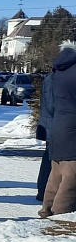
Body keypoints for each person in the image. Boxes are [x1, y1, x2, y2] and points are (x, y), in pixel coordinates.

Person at [39, 41, 76, 217]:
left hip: (59, 125)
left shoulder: (61, 69)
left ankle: (46, 209)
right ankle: (61, 217)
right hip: (73, 127)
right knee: (71, 178)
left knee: (57, 173)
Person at [35, 70, 55, 201]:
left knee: (50, 157)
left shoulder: (52, 78)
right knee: (50, 157)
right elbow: (52, 105)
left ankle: (43, 190)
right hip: (55, 124)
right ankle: (44, 191)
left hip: (52, 124)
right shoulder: (56, 79)